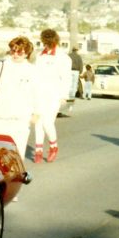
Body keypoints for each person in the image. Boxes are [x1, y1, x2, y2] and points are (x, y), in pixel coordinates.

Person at [0, 36, 40, 158]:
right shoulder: (0, 67)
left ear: (26, 52)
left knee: (17, 156)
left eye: (20, 51)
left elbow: (37, 93)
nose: (15, 54)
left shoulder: (32, 71)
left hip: (21, 121)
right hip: (1, 119)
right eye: (13, 50)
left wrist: (36, 113)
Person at [32, 29, 71, 162]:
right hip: (39, 93)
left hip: (54, 94)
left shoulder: (63, 57)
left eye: (49, 43)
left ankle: (54, 147)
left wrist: (64, 95)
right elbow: (35, 75)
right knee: (38, 122)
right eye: (45, 43)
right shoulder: (40, 56)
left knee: (48, 122)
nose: (46, 45)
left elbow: (66, 78)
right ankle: (38, 151)